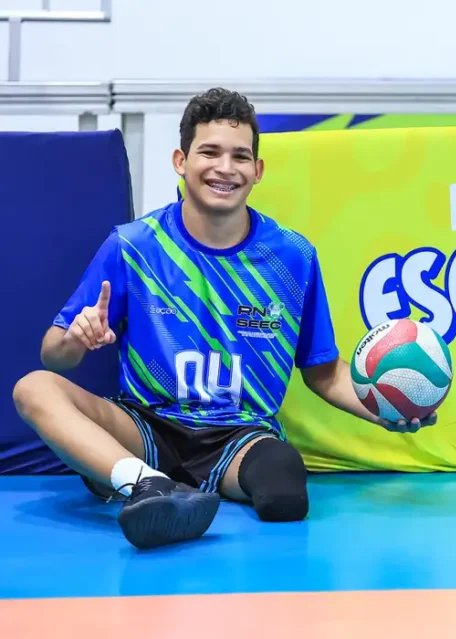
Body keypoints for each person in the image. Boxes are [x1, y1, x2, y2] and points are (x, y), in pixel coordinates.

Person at [12, 87, 433, 549]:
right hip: (146, 426)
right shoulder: (134, 245)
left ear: (258, 170)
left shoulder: (294, 257)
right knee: (33, 387)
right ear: (181, 161)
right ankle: (147, 483)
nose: (225, 167)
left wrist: (383, 409)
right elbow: (53, 356)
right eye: (209, 152)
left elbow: (324, 372)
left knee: (285, 494)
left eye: (240, 156)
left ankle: (163, 489)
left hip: (239, 435)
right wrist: (75, 338)